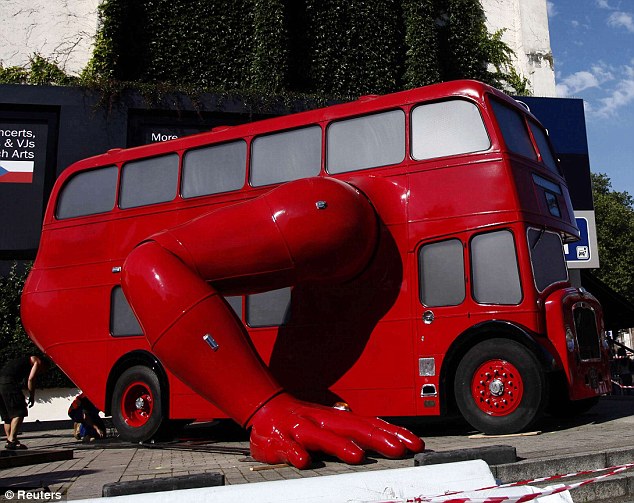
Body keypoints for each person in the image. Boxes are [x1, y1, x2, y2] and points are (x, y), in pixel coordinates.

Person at [0, 355, 48, 449]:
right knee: (19, 411)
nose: (41, 372)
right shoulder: (37, 361)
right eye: (43, 370)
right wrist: (32, 395)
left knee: (8, 416)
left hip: (1, 383)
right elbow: (31, 379)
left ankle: (9, 441)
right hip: (8, 384)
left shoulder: (20, 361)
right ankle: (12, 440)